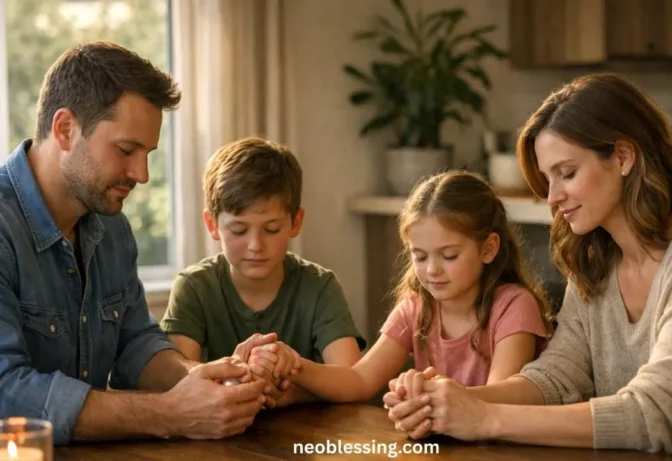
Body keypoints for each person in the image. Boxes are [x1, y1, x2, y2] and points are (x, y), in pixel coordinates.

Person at [382, 73, 672, 460]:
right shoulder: (596, 258)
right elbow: (556, 376)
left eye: (567, 174)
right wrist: (448, 403)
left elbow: (659, 415)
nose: (552, 197)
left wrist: (485, 418)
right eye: (548, 179)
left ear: (622, 157)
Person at [0, 42, 273, 445]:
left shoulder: (112, 228)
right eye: (126, 150)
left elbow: (134, 343)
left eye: (147, 154)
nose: (141, 174)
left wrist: (202, 379)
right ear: (65, 129)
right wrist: (170, 413)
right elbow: (7, 393)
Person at [272, 170, 551, 406]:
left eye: (449, 255)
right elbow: (359, 380)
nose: (432, 270)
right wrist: (296, 365)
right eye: (419, 256)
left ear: (488, 249)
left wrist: (429, 398)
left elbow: (504, 397)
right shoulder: (416, 308)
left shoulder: (515, 306)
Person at [159, 137, 366, 408]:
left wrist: (295, 371)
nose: (256, 246)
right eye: (239, 230)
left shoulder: (319, 287)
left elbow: (353, 380)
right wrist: (238, 376)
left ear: (296, 222)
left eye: (271, 229)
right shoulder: (194, 287)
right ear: (212, 224)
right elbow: (177, 383)